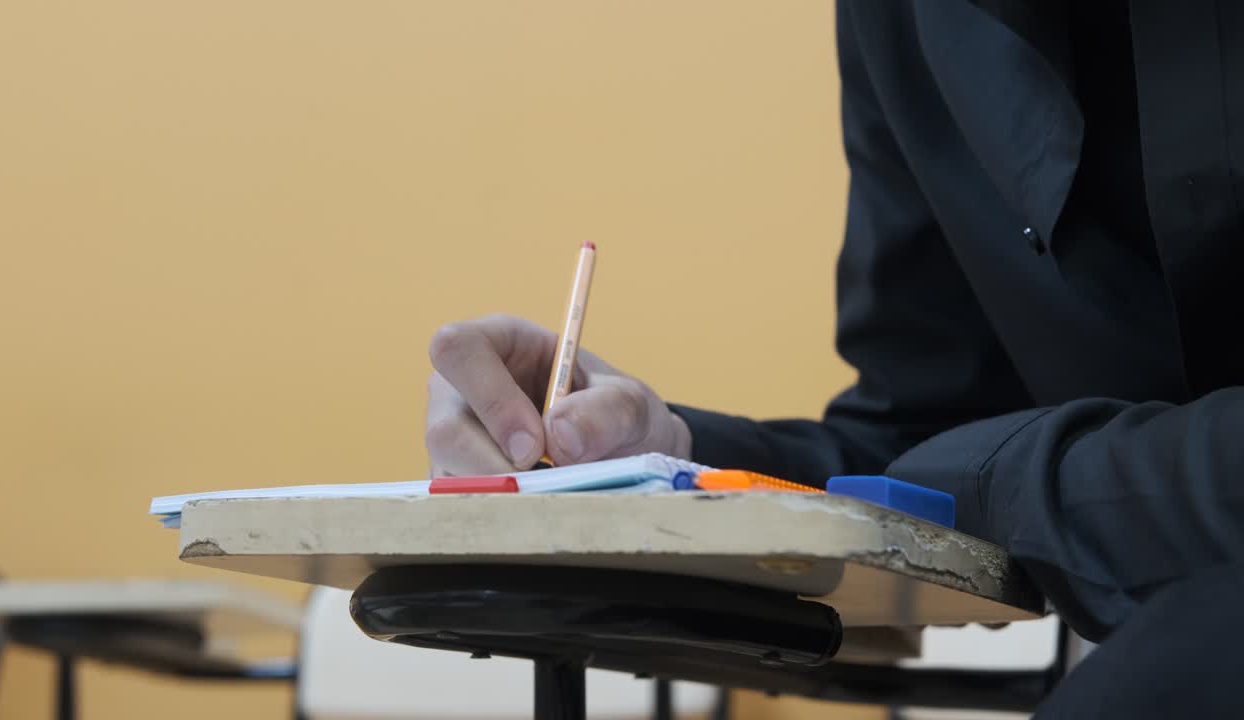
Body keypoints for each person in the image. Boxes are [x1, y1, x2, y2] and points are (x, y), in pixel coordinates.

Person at [423, 1, 1244, 716]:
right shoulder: (909, 19)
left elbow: (951, 473)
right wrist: (662, 461)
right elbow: (921, 436)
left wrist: (991, 488)